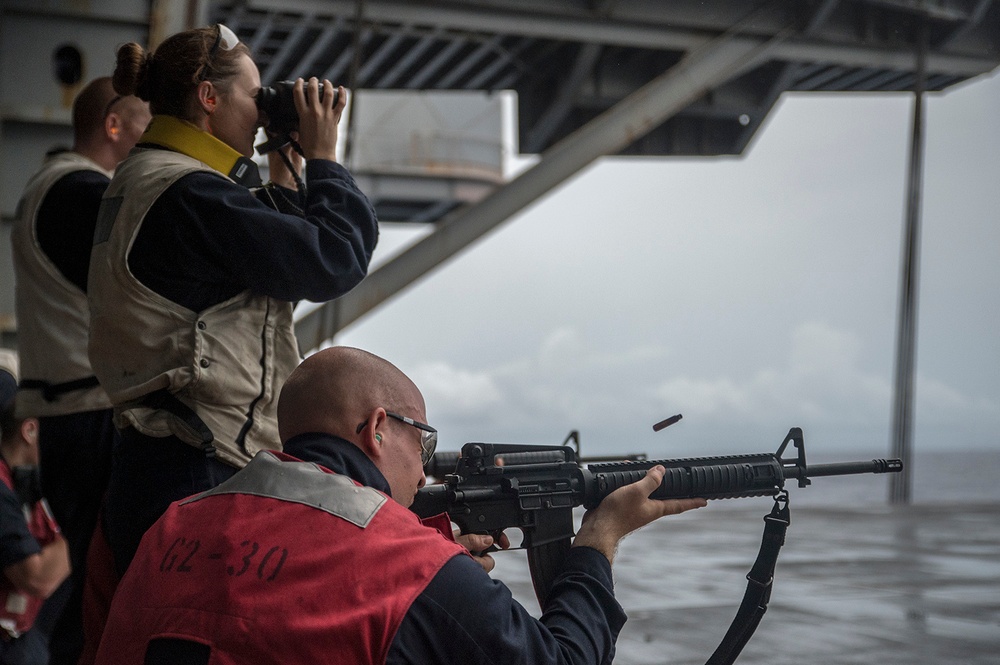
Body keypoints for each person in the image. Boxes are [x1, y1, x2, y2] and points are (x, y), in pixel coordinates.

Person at [93, 347, 706, 664]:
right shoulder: (411, 568)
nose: (424, 465)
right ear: (378, 428)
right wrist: (598, 542)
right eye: (424, 439)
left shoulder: (169, 526)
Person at [86, 24, 379, 576]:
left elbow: (265, 259)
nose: (261, 112)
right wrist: (324, 159)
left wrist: (283, 170)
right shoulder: (190, 193)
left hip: (150, 461)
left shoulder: (147, 180)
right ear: (209, 97)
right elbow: (332, 258)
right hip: (200, 465)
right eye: (255, 96)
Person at [10, 75, 150, 665]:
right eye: (148, 119)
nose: (158, 133)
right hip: (91, 415)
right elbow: (149, 275)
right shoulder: (80, 192)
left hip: (69, 415)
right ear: (113, 124)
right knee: (101, 602)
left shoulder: (49, 188)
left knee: (87, 602)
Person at [0, 350, 71, 665]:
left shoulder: (27, 484)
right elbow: (37, 577)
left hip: (24, 639)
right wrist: (86, 525)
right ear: (29, 430)